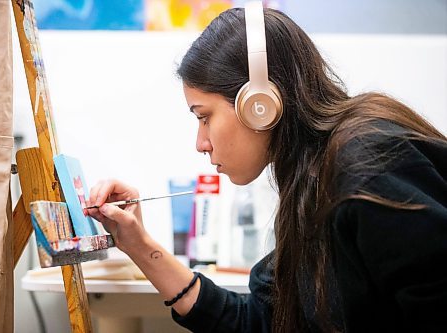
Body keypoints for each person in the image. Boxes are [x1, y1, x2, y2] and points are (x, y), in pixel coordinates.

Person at [86, 3, 447, 332]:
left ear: (259, 104)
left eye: (204, 117)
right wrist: (138, 244)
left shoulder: (366, 162)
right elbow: (259, 320)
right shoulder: (311, 178)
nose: (201, 143)